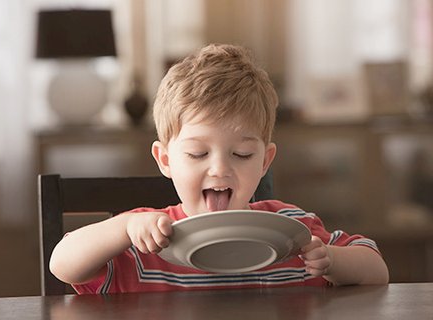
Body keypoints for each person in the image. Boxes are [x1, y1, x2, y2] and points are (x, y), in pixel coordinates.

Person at [49, 44, 389, 294]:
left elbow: (377, 269)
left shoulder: (293, 231)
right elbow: (62, 265)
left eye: (241, 154)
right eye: (198, 154)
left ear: (265, 161)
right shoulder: (150, 240)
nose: (219, 169)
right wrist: (125, 227)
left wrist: (331, 260)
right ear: (165, 160)